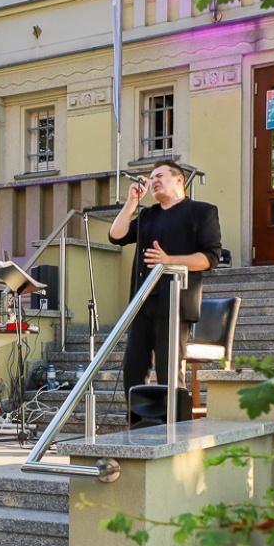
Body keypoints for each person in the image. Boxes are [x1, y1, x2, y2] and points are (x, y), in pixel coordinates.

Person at [106, 159, 222, 418]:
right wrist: (132, 203)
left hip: (175, 304)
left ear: (179, 180)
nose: (153, 180)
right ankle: (138, 426)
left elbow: (209, 258)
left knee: (169, 370)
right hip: (142, 301)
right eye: (151, 177)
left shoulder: (202, 212)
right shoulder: (149, 214)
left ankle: (173, 427)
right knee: (134, 369)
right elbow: (116, 235)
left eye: (160, 176)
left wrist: (169, 261)